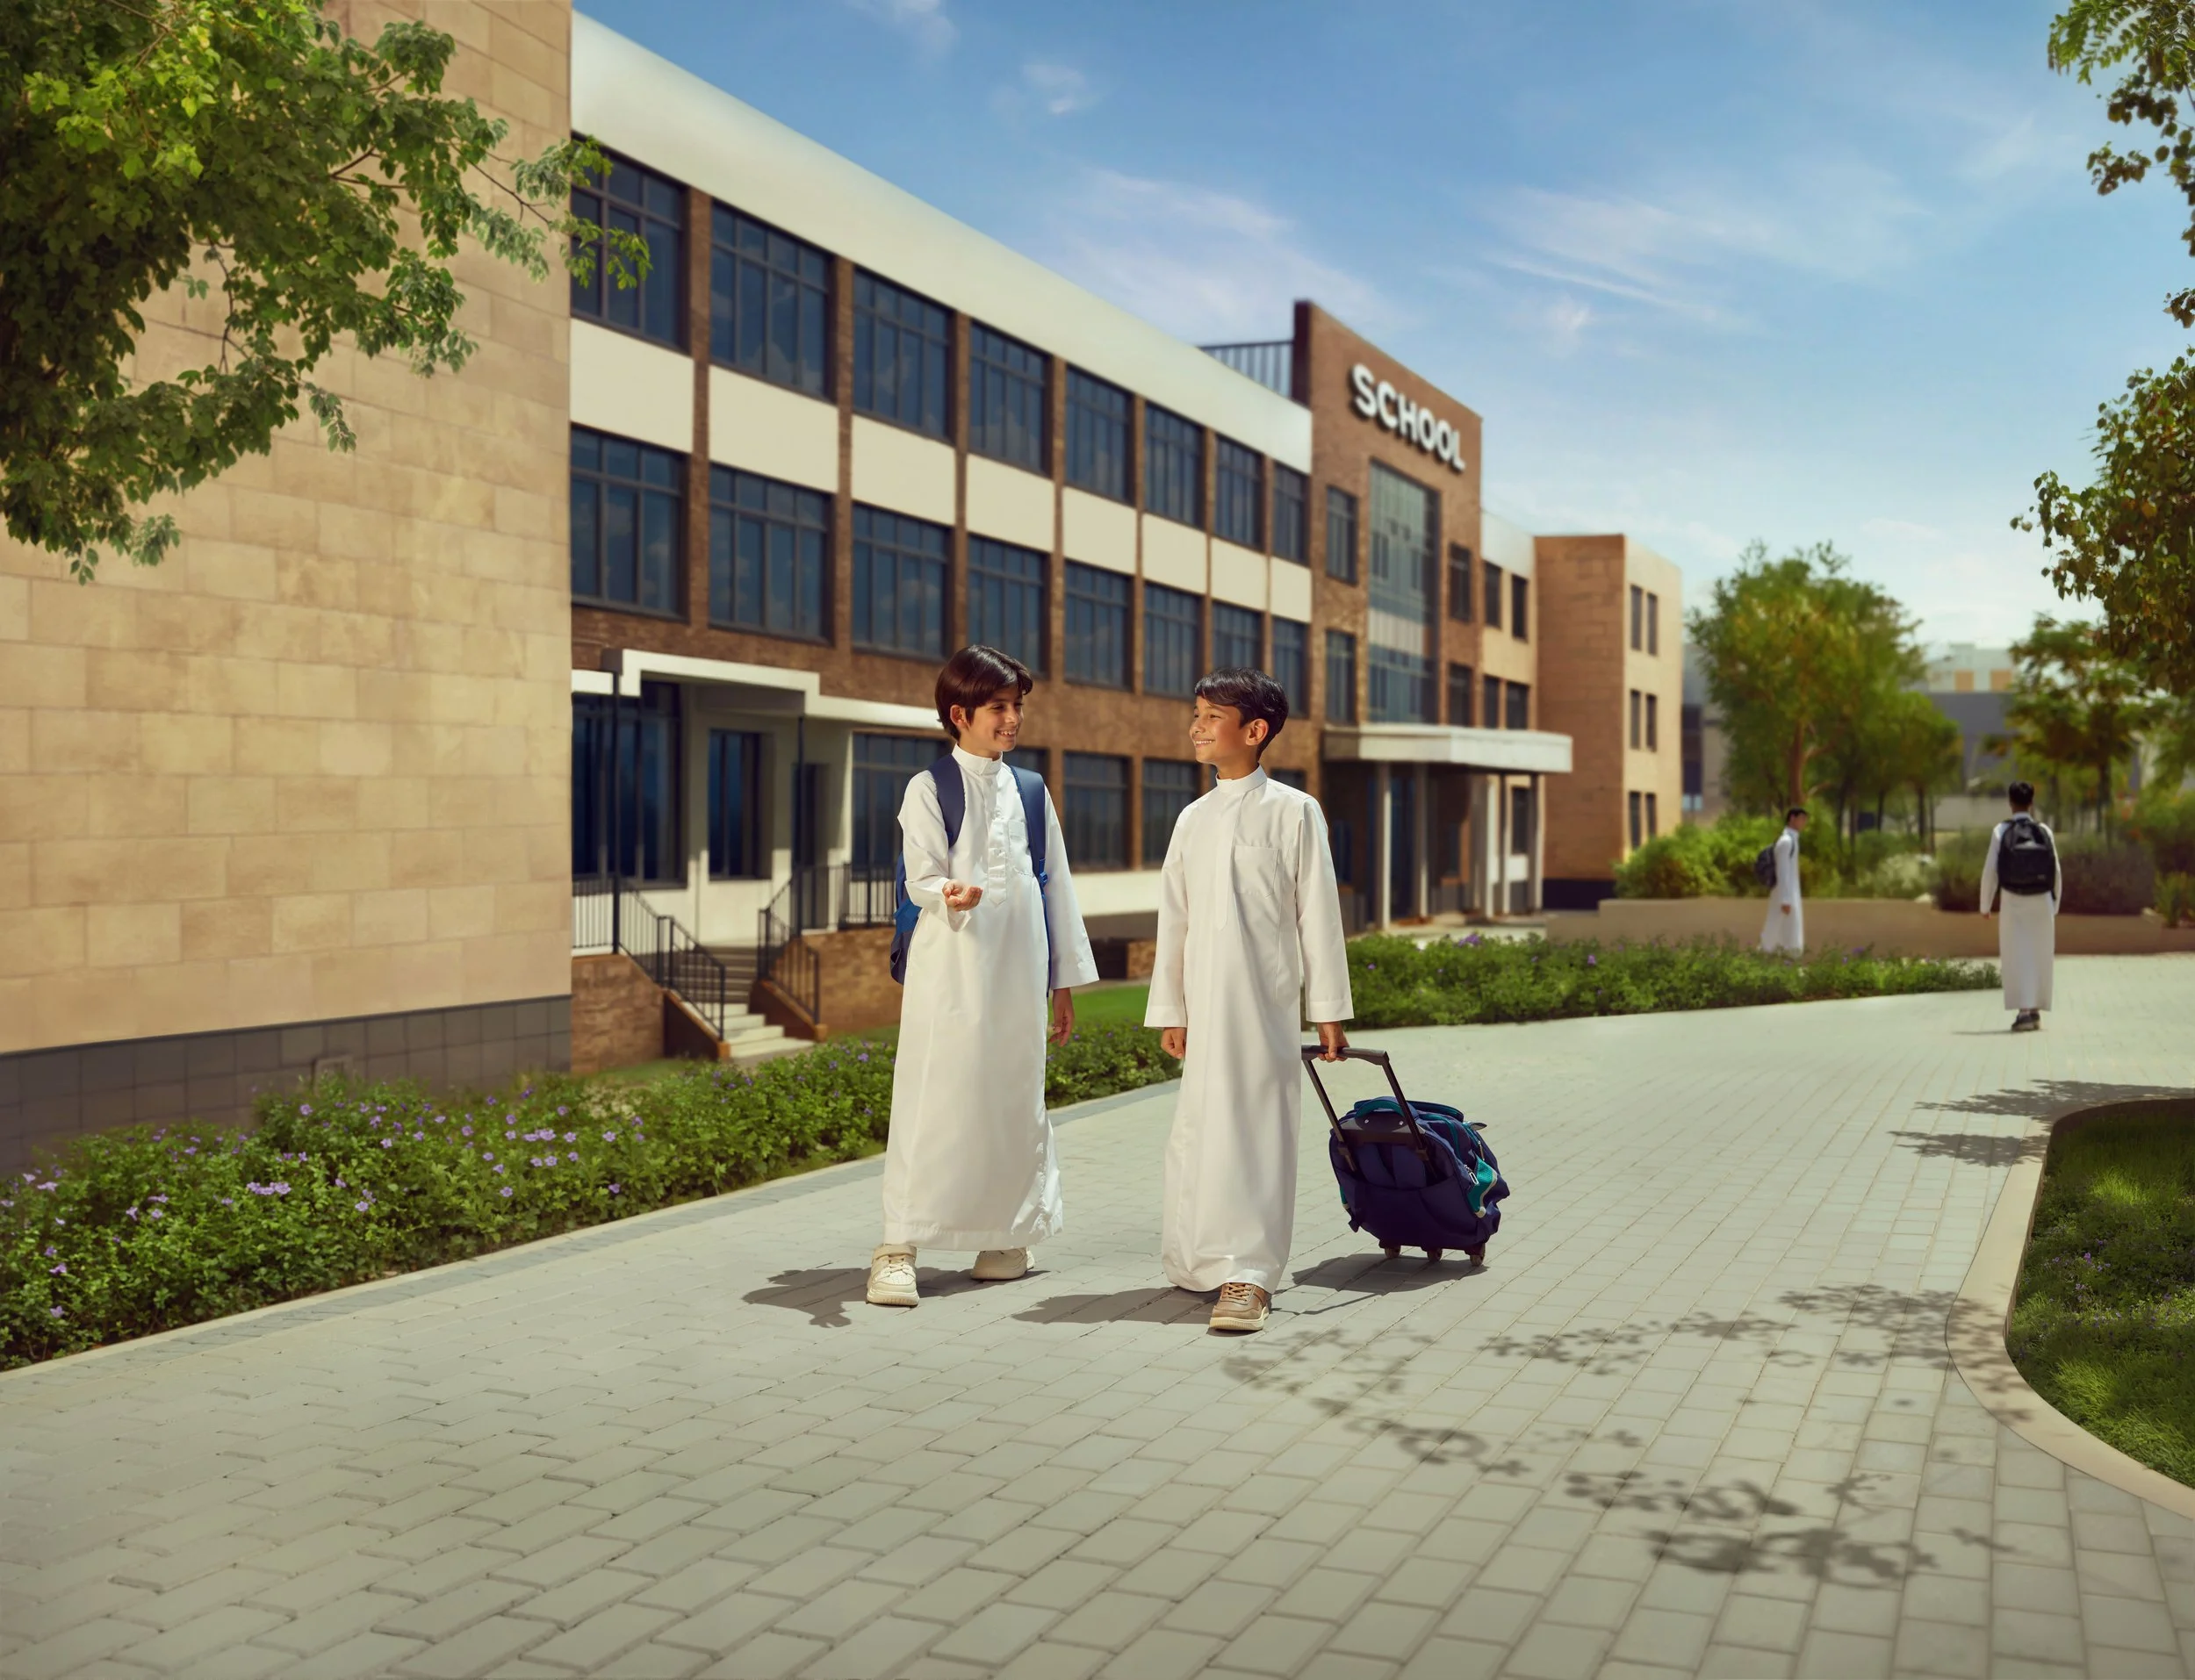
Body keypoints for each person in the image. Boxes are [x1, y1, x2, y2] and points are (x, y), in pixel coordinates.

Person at [868, 646, 1098, 1309]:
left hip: (1019, 975)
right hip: (951, 973)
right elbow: (921, 873)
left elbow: (1057, 893)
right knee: (932, 1101)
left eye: (1017, 706)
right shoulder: (928, 787)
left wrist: (1061, 986)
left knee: (1013, 1099)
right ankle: (897, 1247)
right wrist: (949, 890)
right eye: (999, 707)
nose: (1013, 719)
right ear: (959, 713)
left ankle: (1005, 1238)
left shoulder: (1030, 790)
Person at [1145, 668, 1353, 1335]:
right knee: (1200, 1132)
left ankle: (1250, 1275)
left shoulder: (1294, 811)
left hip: (1263, 1006)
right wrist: (1171, 1009)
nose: (1196, 727)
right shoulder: (1192, 818)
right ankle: (1195, 1259)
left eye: (1211, 716)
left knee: (1258, 1133)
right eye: (1196, 714)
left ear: (1254, 731)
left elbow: (1317, 915)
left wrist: (1327, 1011)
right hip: (1202, 1007)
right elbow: (1171, 920)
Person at [1979, 780, 2061, 1033]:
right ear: (2031, 803)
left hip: (2013, 901)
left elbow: (1990, 871)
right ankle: (2035, 1011)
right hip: (2042, 900)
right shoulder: (2044, 830)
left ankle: (2024, 1012)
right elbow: (2056, 870)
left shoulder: (2001, 831)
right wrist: (2054, 903)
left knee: (2016, 955)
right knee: (2040, 955)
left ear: (2010, 803)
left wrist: (1985, 904)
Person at [1760, 807, 1810, 955]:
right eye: (1801, 819)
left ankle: (1781, 958)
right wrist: (1786, 899)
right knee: (1779, 927)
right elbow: (1782, 871)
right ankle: (1775, 956)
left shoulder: (1792, 840)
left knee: (1783, 928)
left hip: (1789, 892)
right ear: (1792, 819)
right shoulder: (1786, 842)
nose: (1803, 823)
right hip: (1784, 893)